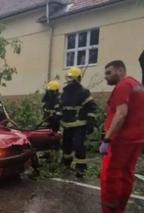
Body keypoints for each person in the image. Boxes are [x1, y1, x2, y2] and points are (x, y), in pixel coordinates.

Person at [100, 60, 144, 213]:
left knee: (110, 176)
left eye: (108, 73)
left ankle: (110, 209)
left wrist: (107, 139)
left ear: (119, 70)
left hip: (120, 141)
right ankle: (120, 208)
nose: (106, 77)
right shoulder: (136, 84)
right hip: (136, 139)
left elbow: (121, 114)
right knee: (126, 174)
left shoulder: (123, 86)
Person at [60, 67, 97, 177]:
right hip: (66, 124)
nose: (69, 81)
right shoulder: (65, 92)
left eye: (71, 78)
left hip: (79, 124)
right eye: (69, 78)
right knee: (66, 145)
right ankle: (66, 163)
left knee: (78, 145)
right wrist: (57, 115)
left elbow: (92, 107)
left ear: (77, 79)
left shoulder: (84, 92)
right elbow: (62, 106)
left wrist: (90, 121)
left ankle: (81, 168)